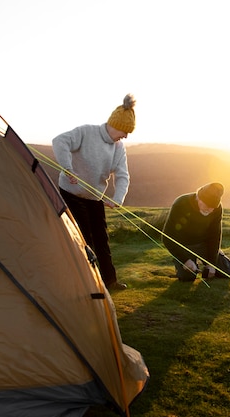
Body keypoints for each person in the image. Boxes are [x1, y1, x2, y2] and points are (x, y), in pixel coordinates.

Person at [52, 94, 136, 291]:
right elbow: (59, 141)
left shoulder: (118, 147)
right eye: (125, 131)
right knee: (84, 239)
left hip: (94, 197)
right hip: (71, 193)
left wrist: (117, 198)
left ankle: (110, 281)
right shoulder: (86, 132)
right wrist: (67, 168)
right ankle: (86, 283)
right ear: (114, 125)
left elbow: (123, 175)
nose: (125, 136)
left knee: (101, 239)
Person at [162, 182, 230, 282]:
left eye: (212, 208)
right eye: (207, 206)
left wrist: (211, 263)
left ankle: (222, 261)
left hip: (204, 244)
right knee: (187, 277)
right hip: (184, 245)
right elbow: (167, 237)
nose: (209, 210)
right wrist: (185, 260)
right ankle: (188, 263)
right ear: (198, 198)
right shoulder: (181, 203)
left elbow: (215, 236)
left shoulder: (217, 209)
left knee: (226, 272)